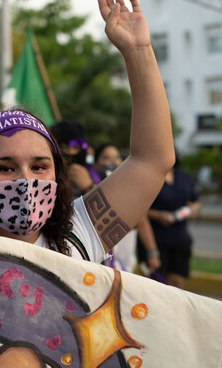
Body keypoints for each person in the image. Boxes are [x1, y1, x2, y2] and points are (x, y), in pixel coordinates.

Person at [0, 0, 175, 264]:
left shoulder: (80, 236)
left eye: (39, 167)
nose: (25, 181)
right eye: (4, 167)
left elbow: (152, 159)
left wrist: (139, 52)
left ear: (57, 173)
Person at [93, 143, 161, 273]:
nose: (112, 162)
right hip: (98, 264)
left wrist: (152, 253)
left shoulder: (130, 189)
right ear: (96, 163)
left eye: (116, 157)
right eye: (106, 158)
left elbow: (142, 221)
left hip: (124, 261)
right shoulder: (90, 191)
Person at [144, 157, 200, 288]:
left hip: (180, 237)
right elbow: (137, 208)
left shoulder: (183, 176)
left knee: (177, 283)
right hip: (156, 238)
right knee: (158, 285)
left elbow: (196, 200)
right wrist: (158, 215)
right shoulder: (148, 176)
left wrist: (193, 209)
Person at [50, 120, 101, 198]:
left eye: (75, 147)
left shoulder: (97, 174)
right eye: (64, 147)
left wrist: (88, 186)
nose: (70, 152)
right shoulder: (46, 176)